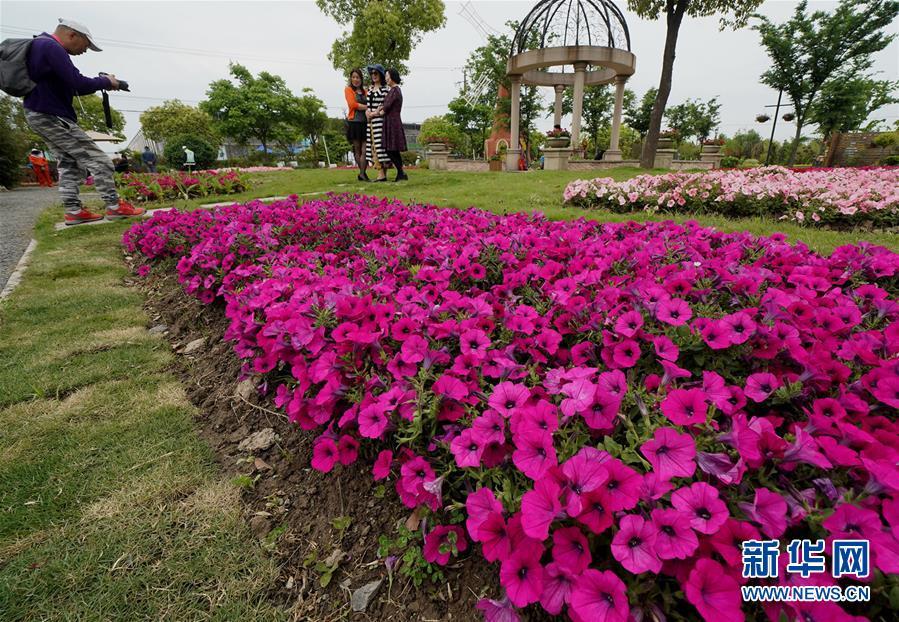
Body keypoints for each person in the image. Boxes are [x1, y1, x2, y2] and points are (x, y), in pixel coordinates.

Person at [23, 18, 145, 225]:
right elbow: (78, 82)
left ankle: (74, 211)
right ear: (72, 35)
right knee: (100, 160)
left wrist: (104, 82)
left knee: (70, 162)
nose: (85, 51)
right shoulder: (50, 46)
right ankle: (114, 206)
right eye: (86, 46)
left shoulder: (41, 46)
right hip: (51, 114)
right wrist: (108, 81)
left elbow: (72, 85)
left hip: (40, 113)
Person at [379, 68, 408, 182]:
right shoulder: (393, 90)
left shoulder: (395, 90)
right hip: (390, 121)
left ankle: (401, 173)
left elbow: (386, 107)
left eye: (387, 76)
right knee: (391, 149)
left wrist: (379, 111)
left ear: (392, 77)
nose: (386, 78)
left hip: (393, 122)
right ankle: (401, 173)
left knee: (391, 149)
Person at [365, 64, 389, 182]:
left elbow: (383, 108)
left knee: (381, 147)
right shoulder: (369, 89)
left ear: (381, 75)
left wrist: (373, 114)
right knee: (373, 147)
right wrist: (368, 113)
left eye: (376, 73)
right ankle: (380, 172)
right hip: (370, 123)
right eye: (372, 73)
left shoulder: (385, 90)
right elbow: (368, 106)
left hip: (380, 122)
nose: (373, 75)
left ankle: (383, 173)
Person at [344, 68, 368, 182]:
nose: (355, 79)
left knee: (365, 150)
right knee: (357, 150)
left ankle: (362, 173)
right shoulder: (348, 90)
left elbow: (371, 102)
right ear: (351, 78)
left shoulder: (365, 91)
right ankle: (363, 174)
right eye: (353, 77)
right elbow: (352, 105)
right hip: (354, 123)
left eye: (357, 77)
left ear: (361, 79)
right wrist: (367, 107)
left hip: (365, 123)